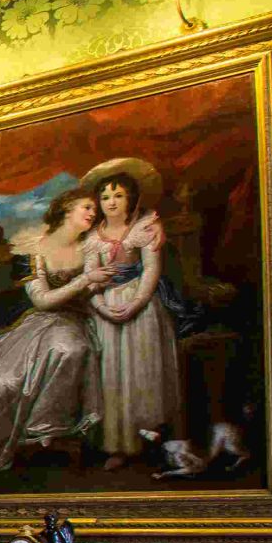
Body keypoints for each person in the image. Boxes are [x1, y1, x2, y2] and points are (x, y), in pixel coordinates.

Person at [0, 188, 105, 477]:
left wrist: (93, 285)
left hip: (74, 320)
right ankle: (1, 444)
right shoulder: (32, 248)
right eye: (86, 207)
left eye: (94, 209)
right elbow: (42, 300)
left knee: (70, 349)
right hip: (35, 320)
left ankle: (47, 433)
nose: (93, 213)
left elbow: (93, 292)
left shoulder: (91, 247)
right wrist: (85, 281)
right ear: (66, 207)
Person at [80, 158, 183, 468]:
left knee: (142, 370)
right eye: (105, 197)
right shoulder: (93, 237)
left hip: (140, 304)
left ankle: (151, 440)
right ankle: (117, 444)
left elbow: (151, 269)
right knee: (111, 373)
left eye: (118, 195)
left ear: (132, 198)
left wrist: (136, 303)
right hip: (105, 306)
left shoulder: (145, 227)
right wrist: (101, 307)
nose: (111, 202)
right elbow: (90, 277)